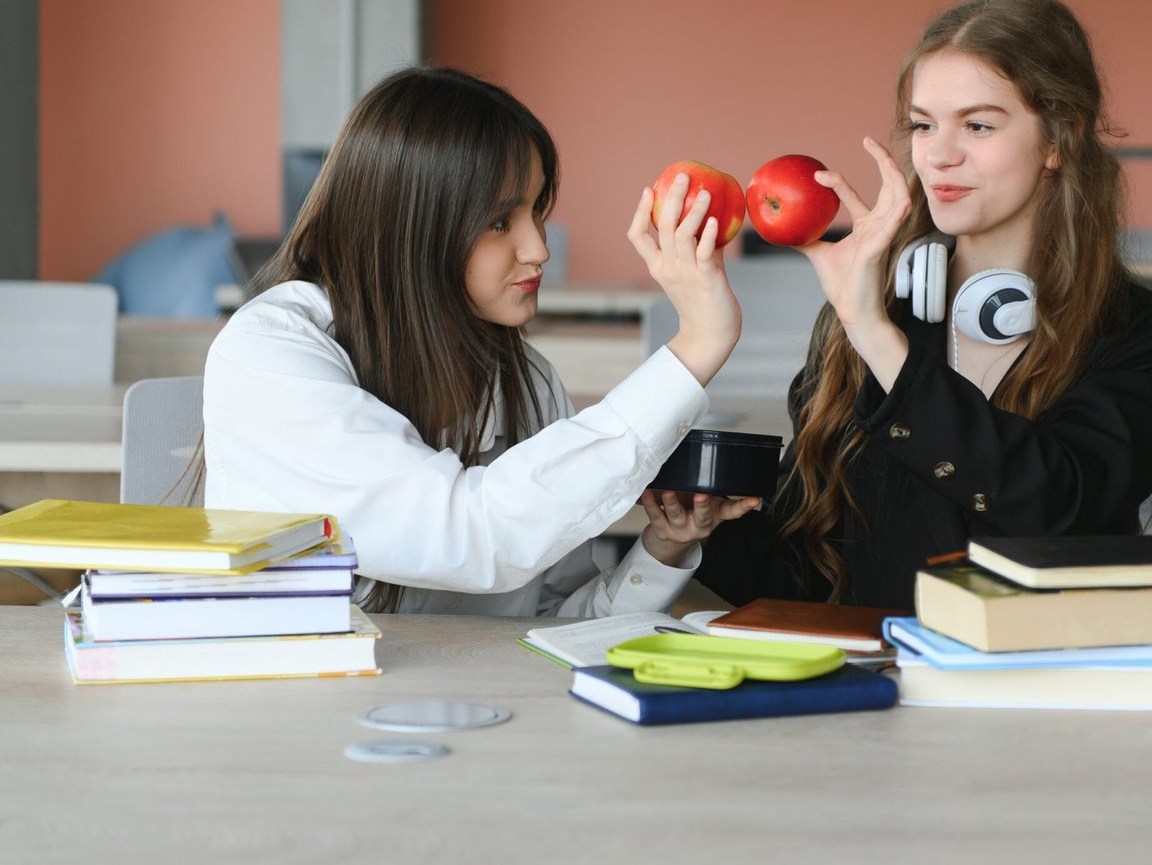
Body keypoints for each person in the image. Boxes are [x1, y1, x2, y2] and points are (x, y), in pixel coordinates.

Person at [693, 0, 1152, 609]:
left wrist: (879, 338)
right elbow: (812, 571)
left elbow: (1055, 507)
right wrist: (691, 538)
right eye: (922, 124)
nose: (939, 154)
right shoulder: (866, 319)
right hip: (882, 689)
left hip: (1041, 691)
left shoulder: (1151, 338)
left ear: (1059, 140)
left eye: (978, 125)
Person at [204, 66, 758, 615]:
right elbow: (467, 536)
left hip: (478, 698)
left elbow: (555, 618)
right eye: (499, 222)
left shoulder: (524, 377)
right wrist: (696, 346)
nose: (538, 248)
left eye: (537, 209)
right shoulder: (270, 354)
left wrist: (662, 549)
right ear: (410, 229)